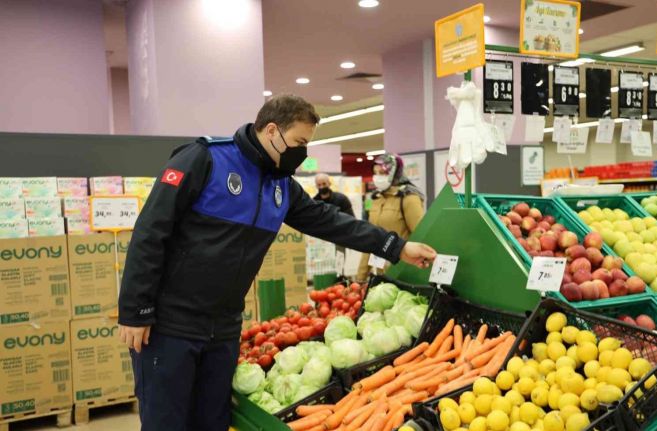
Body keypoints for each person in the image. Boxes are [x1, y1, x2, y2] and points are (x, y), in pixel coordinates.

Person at [117, 94, 437, 431]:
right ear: (272, 130)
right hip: (171, 324)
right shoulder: (204, 159)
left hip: (223, 328)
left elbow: (331, 221)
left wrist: (396, 246)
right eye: (299, 142)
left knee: (212, 422)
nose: (302, 153)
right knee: (166, 423)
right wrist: (136, 310)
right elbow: (150, 231)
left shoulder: (281, 186)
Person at [357, 153, 425, 282]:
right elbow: (369, 238)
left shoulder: (409, 198)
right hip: (378, 272)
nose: (377, 177)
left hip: (402, 272)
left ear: (395, 173)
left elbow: (420, 236)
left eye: (382, 172)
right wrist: (360, 277)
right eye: (375, 172)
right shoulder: (375, 199)